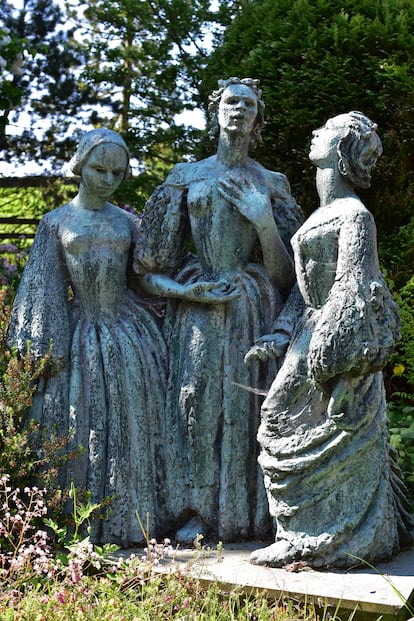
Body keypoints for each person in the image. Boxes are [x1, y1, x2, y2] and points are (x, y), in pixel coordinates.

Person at [134, 78, 303, 541]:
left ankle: (250, 513)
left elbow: (289, 276)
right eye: (232, 101)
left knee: (248, 407)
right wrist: (190, 294)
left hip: (253, 307)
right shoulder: (185, 177)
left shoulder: (271, 183)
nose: (240, 109)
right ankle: (196, 510)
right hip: (199, 307)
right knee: (194, 404)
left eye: (249, 104)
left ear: (257, 118)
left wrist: (263, 220)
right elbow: (149, 266)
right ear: (216, 111)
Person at [246, 111, 412, 567]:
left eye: (327, 130)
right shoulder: (322, 212)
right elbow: (304, 292)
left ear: (339, 152)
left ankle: (336, 539)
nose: (314, 131)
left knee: (291, 420)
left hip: (339, 347)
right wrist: (280, 333)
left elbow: (356, 290)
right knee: (279, 419)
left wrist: (341, 375)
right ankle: (300, 533)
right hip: (309, 334)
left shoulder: (356, 216)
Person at [7, 129, 167, 546]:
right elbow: (41, 288)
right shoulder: (56, 222)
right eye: (99, 168)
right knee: (79, 423)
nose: (108, 178)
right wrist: (44, 346)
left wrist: (189, 291)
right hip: (80, 335)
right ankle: (73, 520)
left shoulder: (128, 223)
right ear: (80, 165)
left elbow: (147, 278)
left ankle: (131, 520)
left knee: (132, 423)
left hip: (127, 333)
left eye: (117, 172)